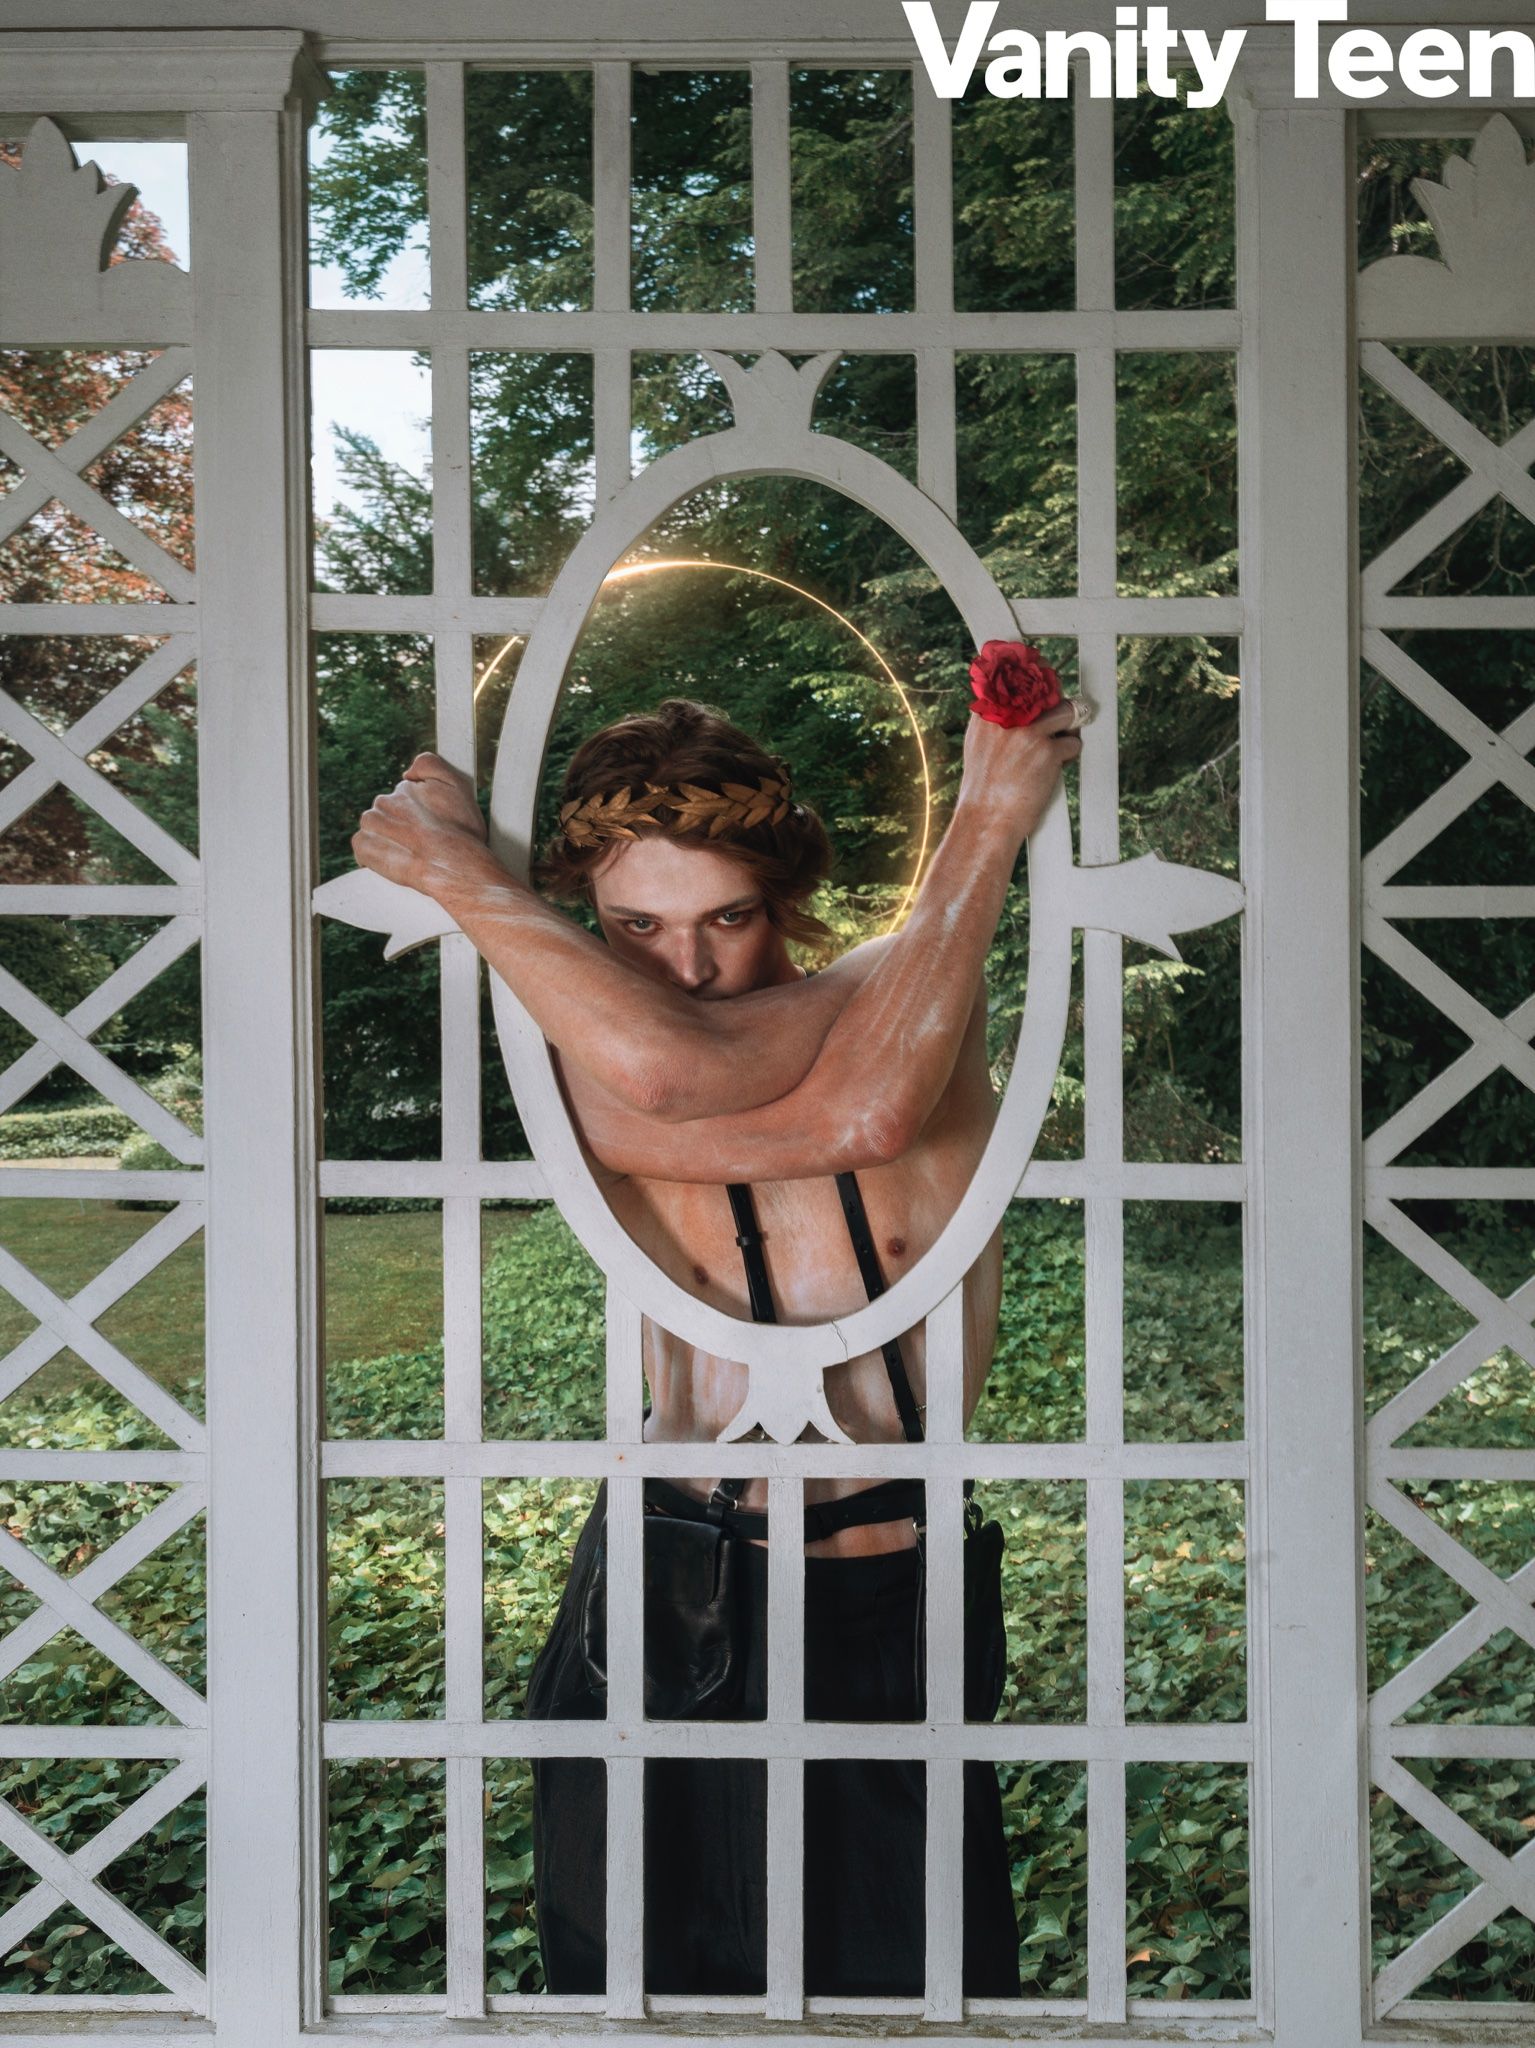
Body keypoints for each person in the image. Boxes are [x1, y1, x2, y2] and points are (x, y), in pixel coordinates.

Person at [352, 688, 1084, 1998]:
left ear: (783, 894)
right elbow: (673, 1069)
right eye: (636, 927)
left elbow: (860, 1113)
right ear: (588, 914)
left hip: (880, 1588)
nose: (684, 970)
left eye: (727, 919)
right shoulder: (585, 1042)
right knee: (630, 1994)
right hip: (658, 1580)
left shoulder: (915, 983)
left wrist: (457, 873)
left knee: (907, 1999)